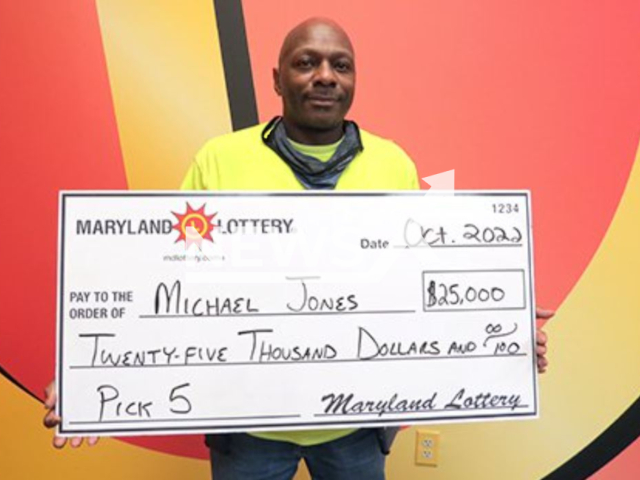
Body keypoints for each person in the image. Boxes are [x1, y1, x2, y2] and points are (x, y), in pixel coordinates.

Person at [44, 17, 552, 479]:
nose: (325, 76)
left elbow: (420, 285)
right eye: (306, 62)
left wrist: (498, 334)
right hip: (247, 425)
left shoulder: (392, 163)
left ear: (354, 81)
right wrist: (87, 375)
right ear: (277, 79)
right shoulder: (220, 159)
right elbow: (161, 281)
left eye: (341, 66)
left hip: (357, 424)